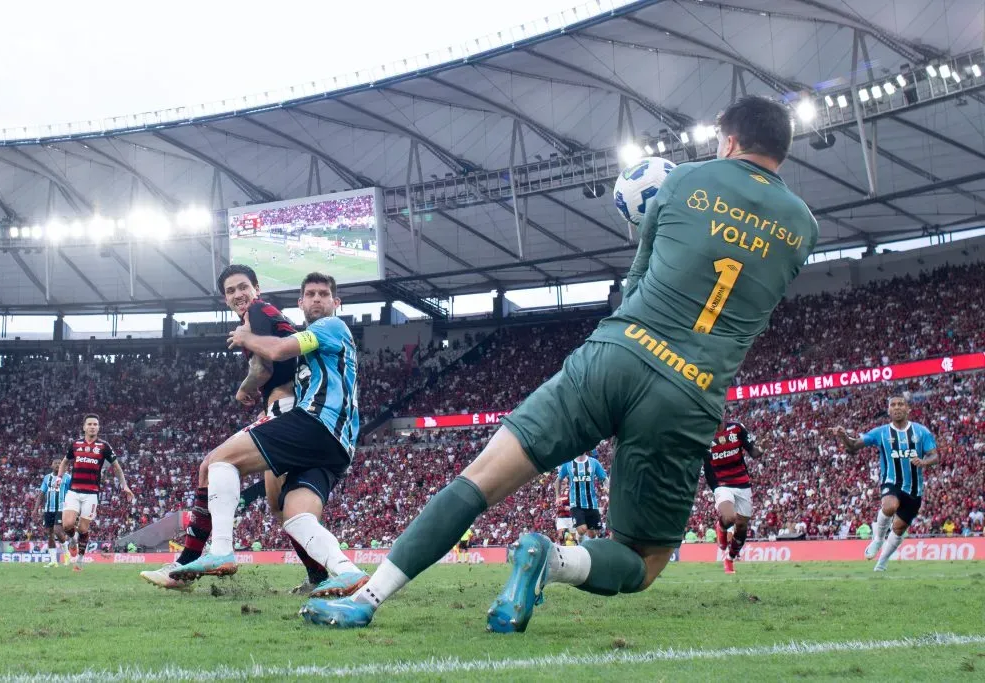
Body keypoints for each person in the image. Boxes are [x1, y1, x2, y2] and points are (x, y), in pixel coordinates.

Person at [300, 95, 818, 630]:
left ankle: (367, 599)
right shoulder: (803, 227)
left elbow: (637, 282)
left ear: (728, 141)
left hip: (616, 354)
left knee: (479, 479)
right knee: (644, 560)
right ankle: (551, 559)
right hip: (689, 391)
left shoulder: (684, 181)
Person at [173, 272, 365, 603]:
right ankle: (347, 571)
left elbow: (278, 350)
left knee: (219, 461)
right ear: (300, 302)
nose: (317, 299)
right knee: (296, 516)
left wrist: (244, 337)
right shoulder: (315, 348)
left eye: (323, 294)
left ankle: (220, 550)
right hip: (337, 448)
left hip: (319, 424)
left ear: (336, 303)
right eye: (310, 294)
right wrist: (251, 384)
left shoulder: (329, 328)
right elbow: (279, 363)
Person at [141, 265, 329, 593]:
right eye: (230, 291)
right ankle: (320, 577)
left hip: (286, 412)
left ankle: (186, 565)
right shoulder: (262, 317)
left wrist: (245, 387)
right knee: (281, 507)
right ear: (225, 298)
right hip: (291, 411)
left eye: (243, 287)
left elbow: (263, 365)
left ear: (256, 288)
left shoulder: (258, 311)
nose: (238, 295)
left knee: (211, 465)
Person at [830, 396, 938, 572]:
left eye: (900, 404)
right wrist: (843, 437)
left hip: (914, 489)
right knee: (889, 506)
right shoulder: (881, 432)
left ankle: (882, 562)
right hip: (891, 481)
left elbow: (934, 455)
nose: (897, 408)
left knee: (899, 528)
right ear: (888, 410)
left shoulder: (921, 432)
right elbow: (853, 447)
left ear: (908, 408)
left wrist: (925, 462)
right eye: (893, 405)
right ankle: (878, 539)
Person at [57, 414, 135, 572]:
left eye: (95, 424)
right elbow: (65, 461)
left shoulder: (104, 446)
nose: (92, 426)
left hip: (91, 494)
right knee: (67, 525)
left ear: (98, 427)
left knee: (84, 529)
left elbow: (117, 467)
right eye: (90, 424)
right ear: (84, 427)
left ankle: (79, 560)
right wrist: (59, 477)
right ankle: (73, 538)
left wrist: (124, 485)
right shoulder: (75, 445)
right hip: (73, 491)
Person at [704, 418, 763, 574]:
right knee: (730, 517)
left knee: (742, 526)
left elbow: (753, 452)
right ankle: (722, 527)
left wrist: (762, 448)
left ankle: (729, 559)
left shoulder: (737, 428)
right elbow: (707, 466)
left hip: (742, 482)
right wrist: (715, 488)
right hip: (721, 483)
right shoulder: (704, 434)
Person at [555, 451, 608, 540]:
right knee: (582, 530)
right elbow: (558, 480)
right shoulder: (568, 464)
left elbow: (604, 478)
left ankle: (585, 545)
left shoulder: (594, 463)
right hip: (576, 504)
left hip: (592, 504)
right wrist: (557, 496)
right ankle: (580, 545)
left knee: (593, 534)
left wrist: (608, 488)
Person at [33, 459, 71, 567]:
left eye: (60, 463)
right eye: (56, 463)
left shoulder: (67, 477)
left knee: (58, 531)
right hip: (48, 509)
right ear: (51, 465)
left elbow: (73, 492)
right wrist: (36, 508)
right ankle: (54, 561)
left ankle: (66, 553)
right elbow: (41, 493)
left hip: (62, 508)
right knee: (50, 534)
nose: (58, 465)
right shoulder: (47, 478)